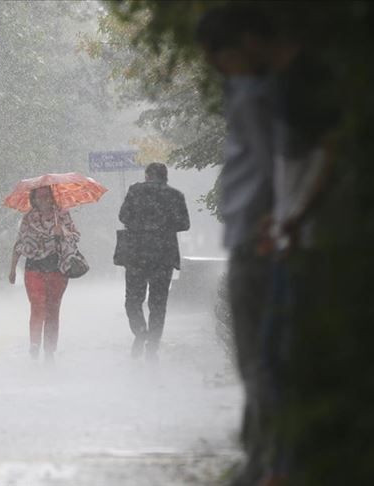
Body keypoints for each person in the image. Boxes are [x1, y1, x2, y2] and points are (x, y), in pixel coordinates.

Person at [195, 6, 280, 485]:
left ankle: (267, 462)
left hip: (258, 240)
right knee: (260, 356)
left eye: (216, 55)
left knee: (259, 356)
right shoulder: (261, 92)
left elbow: (275, 166)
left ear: (243, 44)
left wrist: (281, 219)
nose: (213, 66)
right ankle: (265, 457)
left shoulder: (253, 96)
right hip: (257, 237)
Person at [115, 162, 190, 362]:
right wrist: (162, 225)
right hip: (163, 256)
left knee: (133, 300)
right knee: (158, 303)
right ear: (165, 176)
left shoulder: (135, 191)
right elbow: (184, 224)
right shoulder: (175, 195)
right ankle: (153, 346)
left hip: (136, 255)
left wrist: (141, 224)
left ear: (147, 175)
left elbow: (123, 216)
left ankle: (140, 332)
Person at [9, 186, 80, 363]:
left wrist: (62, 232)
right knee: (37, 305)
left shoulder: (62, 215)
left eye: (47, 196)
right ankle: (34, 344)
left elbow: (75, 236)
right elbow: (19, 243)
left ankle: (49, 350)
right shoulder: (28, 218)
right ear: (34, 199)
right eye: (40, 197)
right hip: (34, 268)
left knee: (52, 310)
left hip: (57, 268)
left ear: (52, 197)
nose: (44, 200)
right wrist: (12, 269)